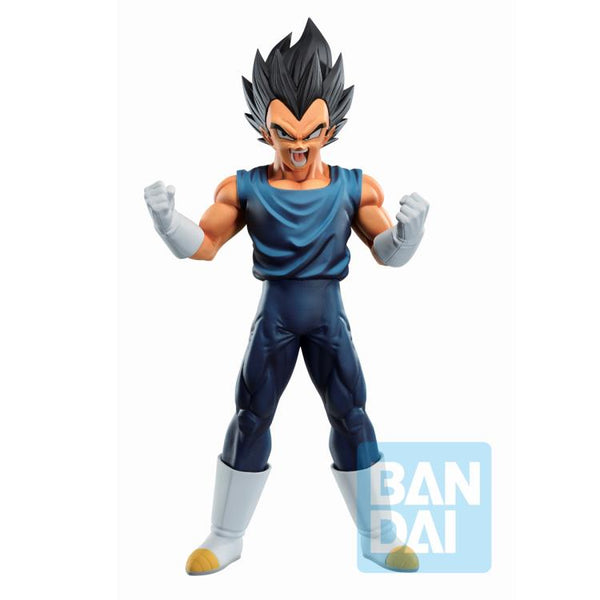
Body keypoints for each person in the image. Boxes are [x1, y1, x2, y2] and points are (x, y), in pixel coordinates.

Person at [144, 18, 429, 574]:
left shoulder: (355, 186)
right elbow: (203, 246)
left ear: (331, 126)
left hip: (327, 318)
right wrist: (167, 223)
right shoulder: (243, 188)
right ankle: (224, 536)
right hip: (274, 318)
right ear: (263, 127)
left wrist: (408, 237)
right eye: (285, 133)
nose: (298, 147)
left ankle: (380, 534)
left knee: (353, 416)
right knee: (251, 417)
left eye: (311, 133)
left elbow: (386, 252)